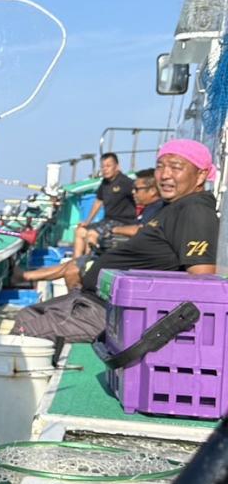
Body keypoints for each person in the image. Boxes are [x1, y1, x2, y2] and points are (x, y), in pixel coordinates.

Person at [12, 140, 219, 343]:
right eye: (160, 166)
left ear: (201, 175)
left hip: (112, 313)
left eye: (176, 167)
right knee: (26, 316)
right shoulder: (172, 207)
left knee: (26, 329)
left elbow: (201, 281)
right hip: (93, 298)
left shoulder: (196, 210)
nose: (165, 175)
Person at [12, 168, 164, 291]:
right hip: (123, 257)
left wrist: (113, 231)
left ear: (152, 191)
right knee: (74, 263)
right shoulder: (149, 208)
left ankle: (79, 308)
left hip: (131, 263)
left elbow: (141, 230)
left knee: (72, 270)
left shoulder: (157, 209)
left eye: (137, 189)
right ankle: (25, 276)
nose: (133, 193)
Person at [72, 151, 137, 259]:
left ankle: (88, 263)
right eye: (102, 166)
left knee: (91, 234)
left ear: (117, 167)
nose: (105, 169)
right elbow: (98, 201)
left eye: (108, 166)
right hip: (107, 221)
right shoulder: (104, 183)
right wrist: (87, 221)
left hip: (123, 222)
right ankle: (75, 262)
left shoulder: (126, 182)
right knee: (80, 231)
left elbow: (138, 196)